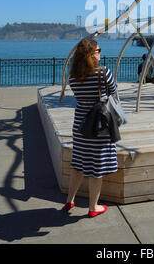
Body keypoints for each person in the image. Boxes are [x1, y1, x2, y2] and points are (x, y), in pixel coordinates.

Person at [64, 39, 118, 218]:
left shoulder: (73, 76)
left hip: (80, 124)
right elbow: (113, 91)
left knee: (78, 163)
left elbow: (79, 95)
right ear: (91, 54)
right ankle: (93, 207)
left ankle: (69, 200)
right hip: (99, 125)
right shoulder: (103, 72)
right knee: (97, 168)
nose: (100, 53)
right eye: (98, 50)